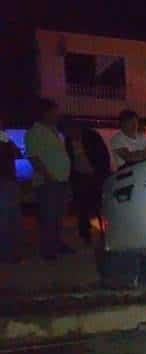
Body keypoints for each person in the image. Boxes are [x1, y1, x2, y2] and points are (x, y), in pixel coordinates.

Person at [25, 99, 73, 261]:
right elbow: (34, 158)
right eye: (54, 111)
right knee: (49, 217)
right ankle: (48, 250)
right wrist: (49, 177)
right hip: (48, 182)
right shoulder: (34, 132)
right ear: (45, 113)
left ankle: (57, 244)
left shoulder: (54, 131)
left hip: (61, 180)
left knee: (58, 216)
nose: (57, 115)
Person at [64, 121, 111, 245]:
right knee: (82, 207)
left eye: (72, 131)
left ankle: (105, 231)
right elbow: (70, 160)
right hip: (79, 178)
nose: (71, 134)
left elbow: (103, 156)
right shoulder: (68, 141)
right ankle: (85, 234)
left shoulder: (92, 137)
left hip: (96, 176)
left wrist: (100, 173)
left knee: (100, 205)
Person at [0, 116, 22, 263]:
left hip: (10, 180)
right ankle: (7, 254)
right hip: (4, 182)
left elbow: (18, 154)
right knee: (5, 219)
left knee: (12, 218)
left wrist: (7, 141)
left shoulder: (5, 139)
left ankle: (11, 252)